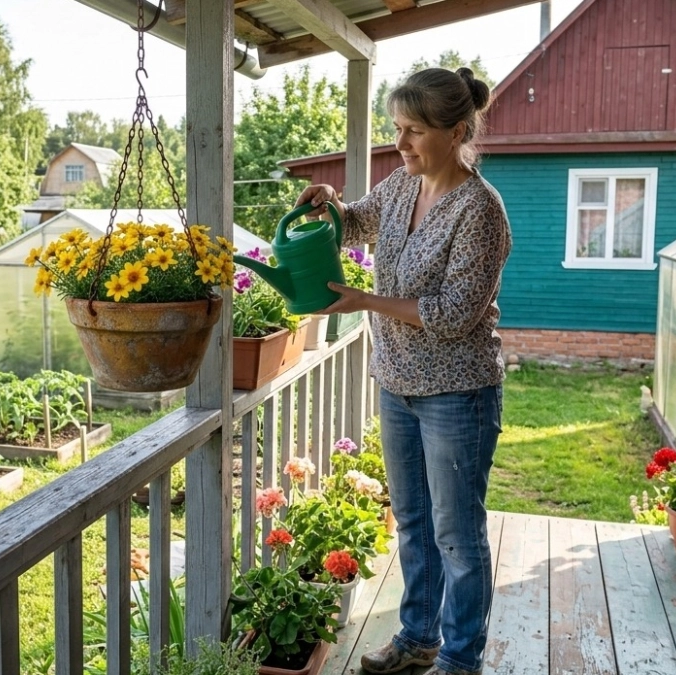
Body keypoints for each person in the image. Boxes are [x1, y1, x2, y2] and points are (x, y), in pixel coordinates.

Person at [295, 67, 511, 675]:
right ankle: (418, 638)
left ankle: (461, 659)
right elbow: (360, 222)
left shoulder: (480, 210)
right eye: (397, 128)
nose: (402, 142)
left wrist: (364, 301)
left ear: (457, 132)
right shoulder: (401, 185)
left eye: (414, 131)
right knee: (413, 521)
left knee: (457, 537)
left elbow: (450, 316)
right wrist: (331, 206)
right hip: (396, 381)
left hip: (457, 392)